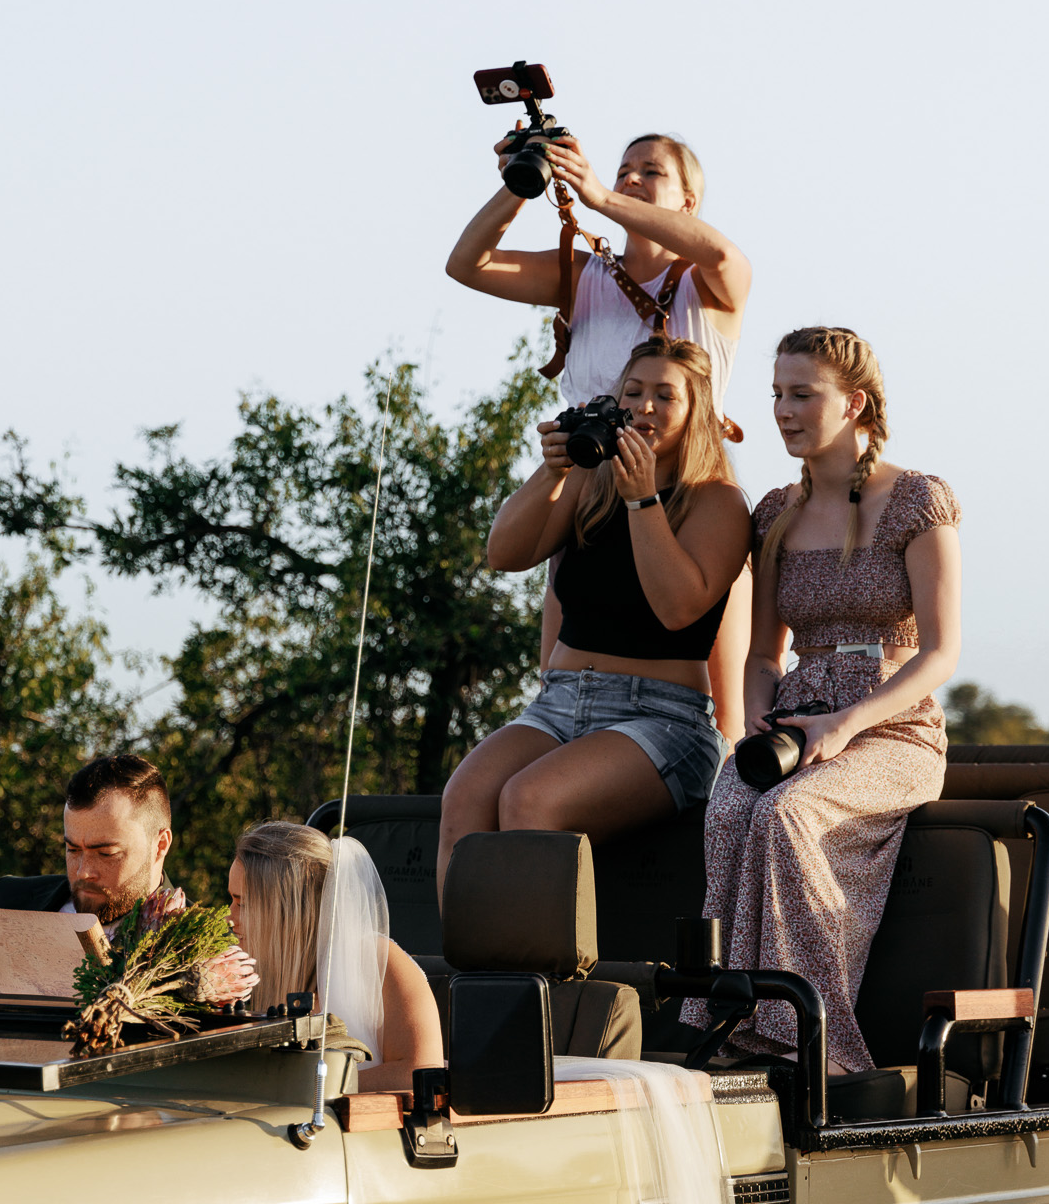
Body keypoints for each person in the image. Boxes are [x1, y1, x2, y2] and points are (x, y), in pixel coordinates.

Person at [684, 327, 962, 1073]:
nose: (782, 409)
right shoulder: (775, 512)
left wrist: (843, 724)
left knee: (788, 815)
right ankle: (733, 1023)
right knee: (730, 807)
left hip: (893, 730)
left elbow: (941, 651)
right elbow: (762, 655)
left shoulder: (917, 501)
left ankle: (815, 1045)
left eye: (802, 393)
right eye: (776, 393)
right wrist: (753, 724)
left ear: (855, 403)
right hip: (796, 721)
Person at [446, 128, 753, 740]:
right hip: (590, 485)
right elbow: (467, 266)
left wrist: (600, 198)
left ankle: (720, 818)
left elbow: (725, 258)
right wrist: (521, 182)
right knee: (562, 674)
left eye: (651, 171)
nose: (631, 178)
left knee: (725, 698)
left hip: (691, 492)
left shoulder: (708, 284)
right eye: (622, 169)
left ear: (688, 202)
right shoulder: (584, 274)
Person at [438, 335, 750, 893]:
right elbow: (504, 554)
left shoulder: (716, 500)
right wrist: (554, 471)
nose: (645, 406)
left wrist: (642, 501)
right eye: (633, 392)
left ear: (697, 411)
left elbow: (677, 609)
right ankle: (467, 978)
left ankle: (538, 980)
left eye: (665, 395)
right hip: (560, 702)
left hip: (662, 718)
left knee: (530, 799)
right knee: (464, 797)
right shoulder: (593, 483)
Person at [228, 822, 443, 1093]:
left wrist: (308, 1088)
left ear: (290, 910)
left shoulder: (379, 963)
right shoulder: (245, 974)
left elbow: (420, 1072)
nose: (229, 917)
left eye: (242, 903)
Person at [0, 753, 174, 922]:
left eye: (106, 853)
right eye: (73, 850)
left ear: (160, 845)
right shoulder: (3, 900)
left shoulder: (200, 951)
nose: (83, 872)